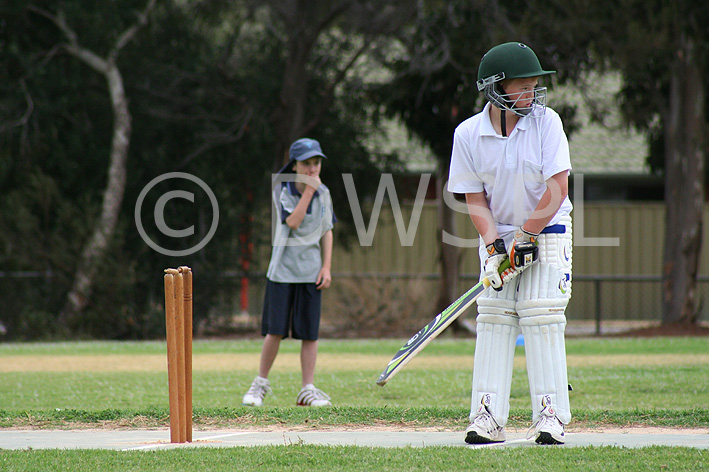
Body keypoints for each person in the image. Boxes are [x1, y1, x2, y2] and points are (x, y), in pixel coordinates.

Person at [448, 42, 573, 445]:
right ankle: (486, 415)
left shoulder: (546, 122)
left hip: (548, 226)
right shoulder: (468, 134)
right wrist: (491, 248)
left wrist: (528, 235)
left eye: (536, 85)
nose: (534, 94)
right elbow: (474, 196)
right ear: (496, 88)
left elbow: (557, 187)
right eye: (524, 86)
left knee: (540, 312)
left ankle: (550, 414)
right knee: (494, 317)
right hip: (499, 233)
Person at [242, 137, 335, 407]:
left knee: (309, 334)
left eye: (316, 163)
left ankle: (307, 389)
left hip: (310, 272)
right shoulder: (282, 190)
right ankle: (259, 384)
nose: (313, 169)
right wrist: (308, 192)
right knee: (275, 331)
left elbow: (327, 230)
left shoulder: (324, 193)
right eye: (307, 164)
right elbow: (293, 221)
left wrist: (326, 266)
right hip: (282, 272)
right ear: (294, 165)